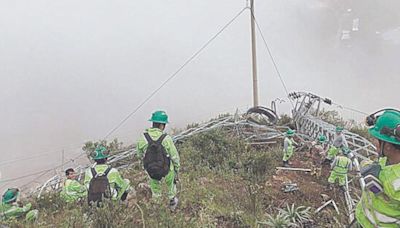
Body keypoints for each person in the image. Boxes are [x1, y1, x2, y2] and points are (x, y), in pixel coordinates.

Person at [356, 109, 400, 227]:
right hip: (362, 220)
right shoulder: (387, 159)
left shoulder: (396, 181)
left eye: (376, 139)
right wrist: (366, 164)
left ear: (389, 146)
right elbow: (371, 164)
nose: (373, 142)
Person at [136, 110, 180, 210]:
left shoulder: (143, 138)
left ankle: (157, 209)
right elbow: (174, 157)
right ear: (161, 125)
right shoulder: (166, 138)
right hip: (166, 169)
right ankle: (172, 205)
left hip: (151, 170)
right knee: (171, 188)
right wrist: (177, 169)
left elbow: (139, 155)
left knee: (156, 191)